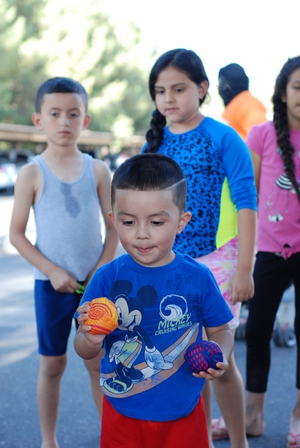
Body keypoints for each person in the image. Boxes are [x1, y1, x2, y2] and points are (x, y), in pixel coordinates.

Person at [74, 153, 235, 448]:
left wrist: (218, 351)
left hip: (184, 410)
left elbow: (222, 329)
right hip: (122, 411)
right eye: (128, 221)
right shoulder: (105, 279)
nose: (142, 234)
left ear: (181, 222)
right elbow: (82, 349)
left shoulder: (197, 276)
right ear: (113, 220)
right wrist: (90, 339)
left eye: (157, 221)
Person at [143, 49, 257, 448]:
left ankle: (240, 442)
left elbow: (247, 202)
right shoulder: (153, 143)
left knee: (217, 360)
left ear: (202, 89)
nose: (168, 99)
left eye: (178, 88)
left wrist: (245, 269)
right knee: (186, 360)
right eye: (160, 91)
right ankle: (202, 440)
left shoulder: (224, 136)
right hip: (169, 262)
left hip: (220, 260)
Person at [9, 77, 119, 448]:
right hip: (51, 285)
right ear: (39, 120)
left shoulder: (99, 170)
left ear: (85, 120)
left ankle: (112, 436)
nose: (64, 122)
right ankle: (49, 440)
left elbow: (114, 228)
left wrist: (103, 266)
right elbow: (17, 234)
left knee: (97, 362)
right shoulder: (31, 173)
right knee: (52, 365)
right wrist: (52, 269)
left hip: (95, 283)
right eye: (54, 114)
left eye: (74, 114)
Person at [244, 56, 300, 448]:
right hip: (266, 251)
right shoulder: (260, 135)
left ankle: (299, 416)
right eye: (298, 87)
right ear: (283, 92)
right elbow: (247, 197)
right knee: (258, 332)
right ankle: (254, 415)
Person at [218, 63, 267, 140]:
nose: (220, 88)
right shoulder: (236, 104)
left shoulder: (250, 105)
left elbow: (262, 139)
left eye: (223, 83)